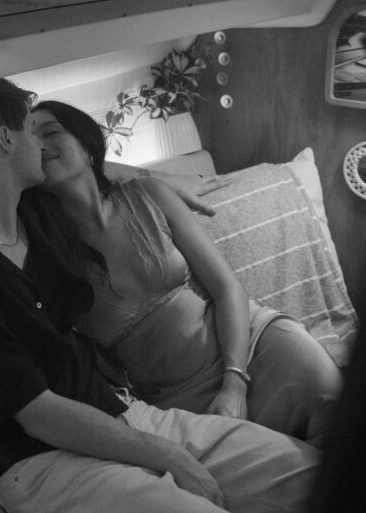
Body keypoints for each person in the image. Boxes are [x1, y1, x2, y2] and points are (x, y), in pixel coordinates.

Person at [0, 78, 322, 513]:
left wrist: (159, 180)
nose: (42, 145)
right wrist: (170, 457)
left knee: (325, 482)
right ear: (6, 140)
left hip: (122, 415)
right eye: (31, 131)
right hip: (47, 466)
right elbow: (41, 417)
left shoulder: (30, 214)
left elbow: (89, 167)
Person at [32, 100, 342, 445]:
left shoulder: (147, 195)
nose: (40, 145)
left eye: (51, 132)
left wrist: (234, 384)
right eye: (29, 141)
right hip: (178, 402)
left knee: (337, 412)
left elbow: (227, 288)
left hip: (251, 349)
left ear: (86, 142)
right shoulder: (43, 254)